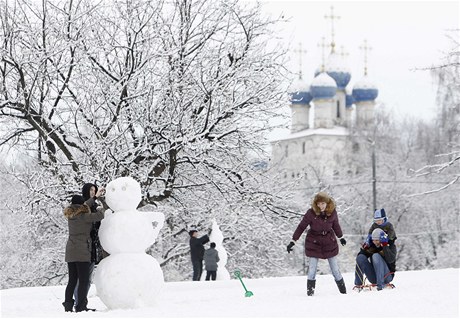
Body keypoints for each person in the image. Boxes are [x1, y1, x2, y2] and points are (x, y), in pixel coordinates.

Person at [286, 192, 347, 296]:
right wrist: (293, 241)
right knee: (312, 270)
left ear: (327, 203)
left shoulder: (332, 212)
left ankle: (343, 293)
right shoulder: (311, 213)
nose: (321, 206)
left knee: (335, 269)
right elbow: (301, 227)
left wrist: (340, 237)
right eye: (318, 204)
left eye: (323, 203)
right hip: (314, 242)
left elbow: (336, 225)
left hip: (329, 242)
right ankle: (310, 294)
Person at [62, 192, 105, 312]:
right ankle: (81, 307)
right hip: (82, 252)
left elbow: (85, 205)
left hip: (70, 252)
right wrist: (101, 208)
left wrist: (94, 197)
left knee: (72, 280)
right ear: (81, 206)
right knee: (83, 280)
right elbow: (100, 215)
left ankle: (68, 306)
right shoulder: (85, 217)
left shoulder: (70, 215)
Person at [73, 182, 108, 307]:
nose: (93, 192)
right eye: (91, 190)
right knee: (80, 279)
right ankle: (79, 303)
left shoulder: (94, 207)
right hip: (82, 247)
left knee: (87, 278)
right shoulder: (80, 206)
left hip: (92, 246)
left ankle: (82, 303)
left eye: (94, 190)